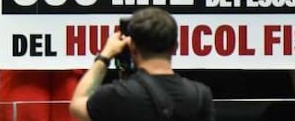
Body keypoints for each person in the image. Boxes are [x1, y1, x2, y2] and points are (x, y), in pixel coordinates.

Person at [69, 7, 214, 121]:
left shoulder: (117, 95)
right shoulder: (199, 96)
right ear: (175, 46)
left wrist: (104, 57)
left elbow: (77, 105)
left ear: (132, 47)